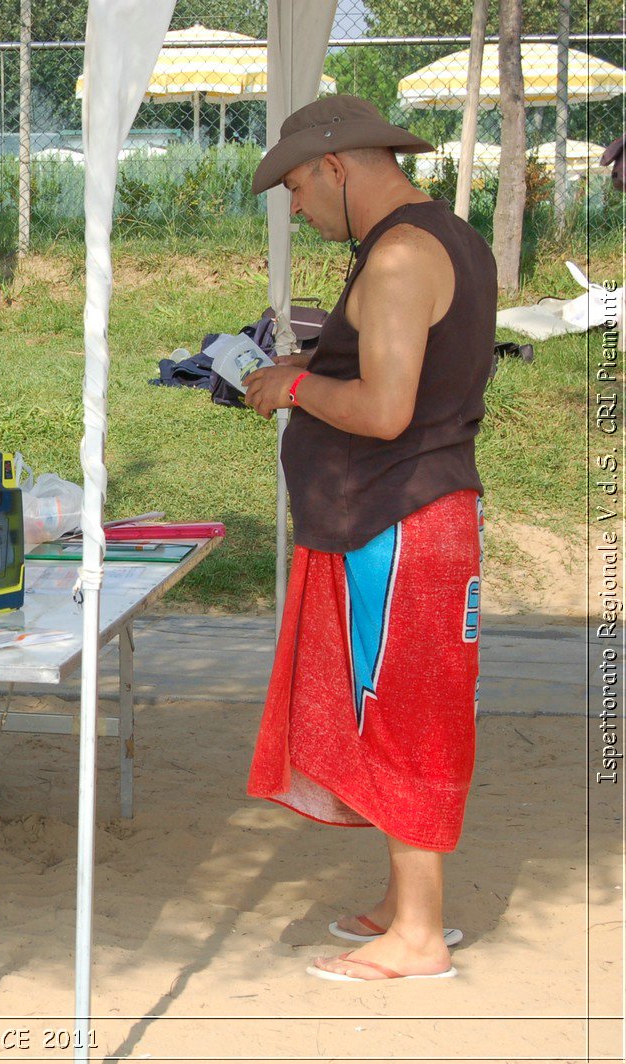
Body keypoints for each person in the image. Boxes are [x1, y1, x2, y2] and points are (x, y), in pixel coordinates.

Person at [242, 96, 495, 983]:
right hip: (408, 514)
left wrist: (294, 394)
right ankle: (406, 905)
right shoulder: (446, 238)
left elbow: (386, 410)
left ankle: (420, 937)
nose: (300, 209)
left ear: (338, 166)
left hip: (398, 520)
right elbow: (408, 374)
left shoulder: (394, 256)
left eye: (300, 187)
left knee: (399, 710)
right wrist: (309, 369)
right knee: (390, 703)